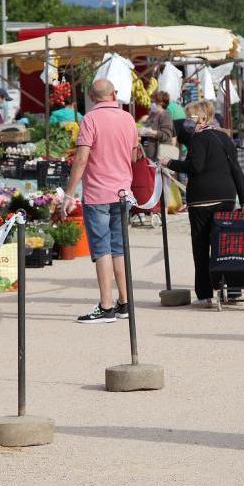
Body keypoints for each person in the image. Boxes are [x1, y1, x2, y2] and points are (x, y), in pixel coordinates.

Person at [62, 79, 140, 324]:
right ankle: (125, 303)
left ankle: (106, 306)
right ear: (113, 94)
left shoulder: (90, 120)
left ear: (93, 98)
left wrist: (69, 192)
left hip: (98, 193)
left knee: (102, 249)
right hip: (123, 191)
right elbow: (134, 154)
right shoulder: (128, 118)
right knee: (119, 248)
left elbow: (82, 158)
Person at [166, 101, 244, 305]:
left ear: (202, 118)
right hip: (226, 197)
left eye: (190, 117)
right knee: (225, 245)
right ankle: (231, 290)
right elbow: (236, 170)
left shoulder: (198, 138)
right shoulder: (224, 137)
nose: (187, 122)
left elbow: (195, 166)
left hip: (202, 199)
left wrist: (169, 163)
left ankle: (205, 294)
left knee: (201, 246)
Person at [139, 91, 176, 160]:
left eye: (154, 101)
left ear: (161, 103)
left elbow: (166, 135)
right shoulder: (152, 114)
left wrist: (151, 132)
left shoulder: (166, 115)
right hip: (149, 152)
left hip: (161, 154)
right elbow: (146, 126)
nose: (152, 103)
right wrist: (143, 129)